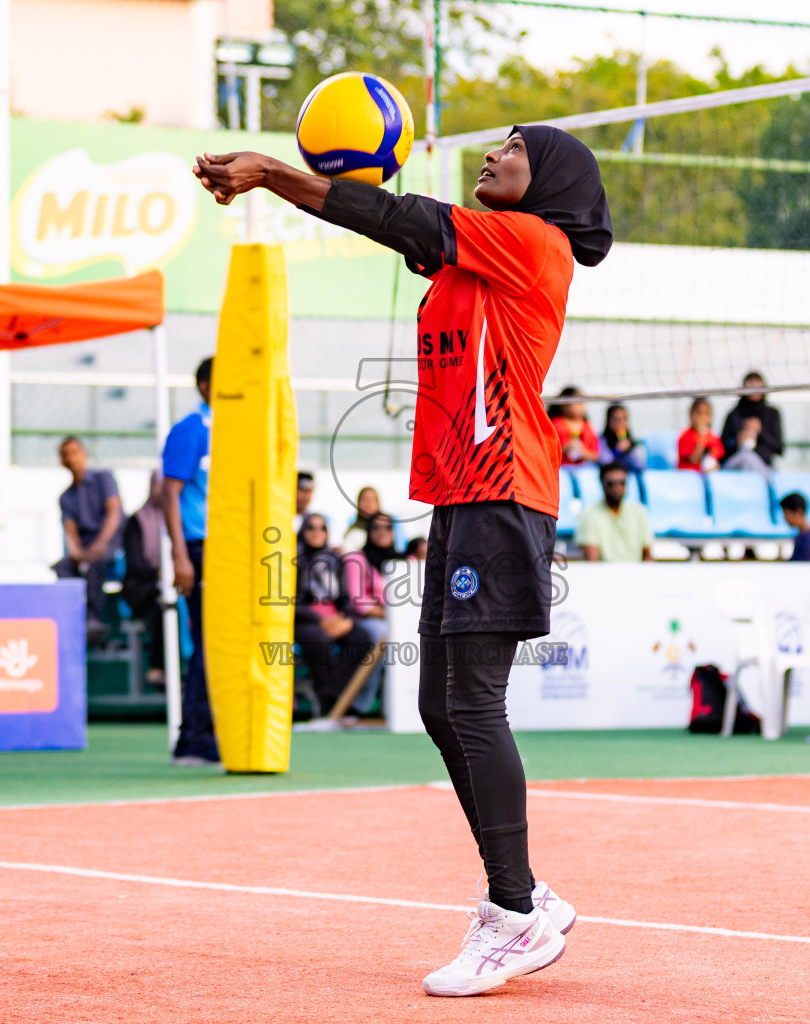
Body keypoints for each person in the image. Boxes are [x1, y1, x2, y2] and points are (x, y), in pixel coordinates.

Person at [196, 120, 610, 994]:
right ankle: (526, 889)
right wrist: (294, 183)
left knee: (474, 703)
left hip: (504, 490)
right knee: (436, 703)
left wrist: (271, 171)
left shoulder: (531, 242)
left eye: (514, 149)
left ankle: (513, 915)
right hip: (463, 495)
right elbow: (385, 223)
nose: (493, 155)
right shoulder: (473, 262)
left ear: (549, 183)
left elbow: (398, 215)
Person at [161, 357, 219, 767]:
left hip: (227, 549)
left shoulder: (232, 429)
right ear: (205, 386)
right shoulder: (192, 429)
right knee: (206, 642)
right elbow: (169, 493)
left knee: (220, 643)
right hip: (199, 548)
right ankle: (194, 738)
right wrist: (180, 554)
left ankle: (212, 731)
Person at [294, 513, 374, 712]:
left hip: (334, 616)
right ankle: (328, 701)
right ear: (303, 531)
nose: (316, 532)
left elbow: (344, 596)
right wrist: (319, 620)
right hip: (305, 619)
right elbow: (292, 601)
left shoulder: (334, 559)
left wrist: (346, 619)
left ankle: (332, 693)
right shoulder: (294, 559)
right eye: (311, 527)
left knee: (361, 638)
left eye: (322, 528)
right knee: (321, 642)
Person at [52, 436, 123, 633]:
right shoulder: (66, 497)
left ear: (84, 454)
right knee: (62, 567)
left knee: (95, 563)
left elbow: (114, 513)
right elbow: (70, 531)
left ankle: (92, 618)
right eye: (66, 455)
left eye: (75, 453)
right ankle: (69, 617)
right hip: (86, 549)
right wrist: (76, 553)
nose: (71, 458)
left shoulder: (104, 479)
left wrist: (101, 543)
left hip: (109, 544)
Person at [341, 512, 398, 715]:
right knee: (382, 636)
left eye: (387, 527)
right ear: (368, 531)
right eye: (376, 527)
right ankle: (361, 706)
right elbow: (359, 601)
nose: (382, 532)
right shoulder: (357, 559)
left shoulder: (403, 560)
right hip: (368, 621)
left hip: (399, 620)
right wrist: (390, 615)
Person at [121, 471, 167, 678]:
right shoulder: (137, 521)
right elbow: (135, 563)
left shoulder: (177, 519)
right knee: (163, 605)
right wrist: (159, 574)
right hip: (141, 588)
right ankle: (158, 668)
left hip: (167, 585)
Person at [575, 462, 653, 563]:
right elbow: (592, 562)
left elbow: (647, 556)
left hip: (635, 572)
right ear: (602, 484)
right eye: (610, 484)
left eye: (622, 483)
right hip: (602, 573)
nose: (617, 488)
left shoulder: (639, 513)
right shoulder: (589, 516)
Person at [719, 371, 783, 467]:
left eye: (757, 385)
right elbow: (723, 446)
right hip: (737, 461)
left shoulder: (772, 414)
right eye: (751, 384)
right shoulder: (734, 414)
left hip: (763, 464)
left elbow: (779, 447)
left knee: (749, 459)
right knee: (745, 458)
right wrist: (737, 440)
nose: (754, 388)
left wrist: (760, 431)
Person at [548, 385, 599, 465]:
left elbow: (596, 455)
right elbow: (548, 451)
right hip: (561, 466)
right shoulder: (555, 424)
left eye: (582, 403)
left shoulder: (587, 426)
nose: (582, 407)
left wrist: (584, 453)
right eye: (578, 403)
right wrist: (565, 449)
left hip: (584, 467)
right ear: (564, 405)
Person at [676, 397, 724, 472]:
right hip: (688, 474)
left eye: (706, 413)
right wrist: (702, 437)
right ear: (691, 414)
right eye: (699, 413)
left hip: (706, 475)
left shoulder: (713, 436)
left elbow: (717, 457)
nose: (702, 417)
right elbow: (694, 459)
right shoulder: (685, 436)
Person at [780, 492, 810, 562]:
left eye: (786, 514)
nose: (785, 518)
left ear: (799, 512)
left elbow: (805, 566)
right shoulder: (801, 536)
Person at [599, 403, 645, 471]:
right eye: (616, 419)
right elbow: (604, 462)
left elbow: (640, 466)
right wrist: (617, 450)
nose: (621, 423)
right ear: (608, 421)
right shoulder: (602, 440)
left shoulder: (630, 441)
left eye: (624, 419)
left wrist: (629, 451)